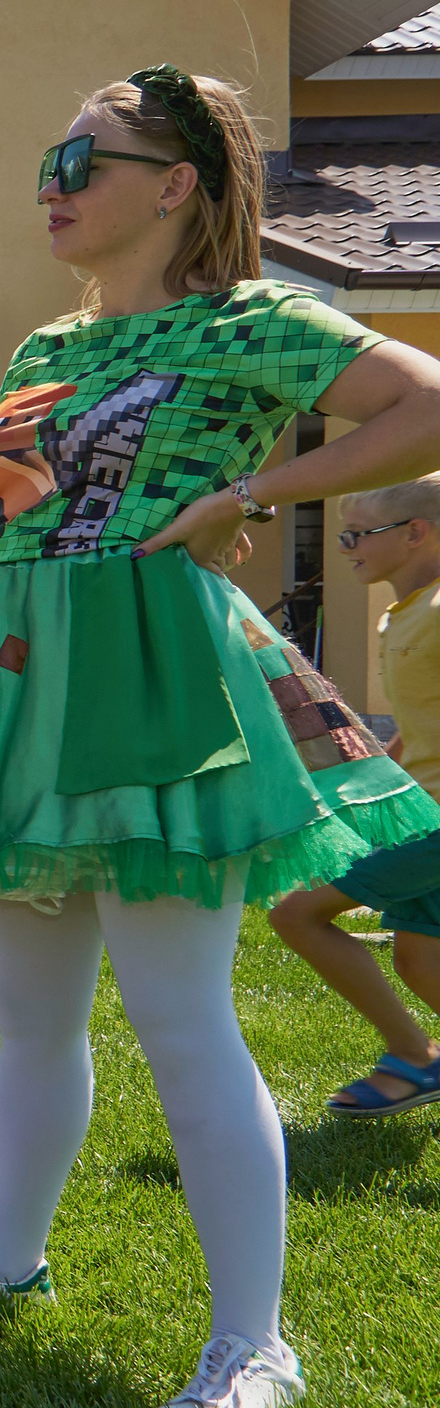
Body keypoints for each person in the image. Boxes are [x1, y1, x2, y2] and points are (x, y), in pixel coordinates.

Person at [0, 65, 440, 1408]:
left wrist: (250, 490)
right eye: (48, 157)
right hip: (18, 672)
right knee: (30, 1015)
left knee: (177, 1011)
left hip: (150, 674)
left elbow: (427, 402)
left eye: (81, 159)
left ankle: (254, 1345)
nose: (53, 182)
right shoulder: (45, 351)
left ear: (176, 184)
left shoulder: (250, 320)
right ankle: (5, 1257)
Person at [266, 477, 440, 1117]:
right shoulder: (403, 612)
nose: (344, 548)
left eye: (358, 535)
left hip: (436, 829)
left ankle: (414, 1057)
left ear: (415, 531)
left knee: (296, 913)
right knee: (421, 961)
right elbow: (422, 729)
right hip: (415, 815)